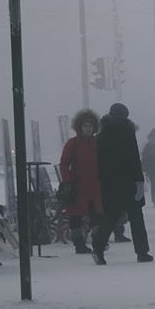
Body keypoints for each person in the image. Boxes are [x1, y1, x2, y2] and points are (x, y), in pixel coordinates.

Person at [92, 103, 152, 264]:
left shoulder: (101, 134)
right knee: (136, 218)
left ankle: (98, 248)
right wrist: (139, 180)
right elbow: (133, 158)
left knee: (110, 217)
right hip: (128, 181)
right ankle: (142, 252)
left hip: (109, 182)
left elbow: (98, 161)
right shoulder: (127, 131)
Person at [59, 109, 103, 255]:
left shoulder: (98, 142)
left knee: (96, 214)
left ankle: (97, 242)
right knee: (76, 215)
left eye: (90, 126)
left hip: (96, 185)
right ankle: (79, 244)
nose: (88, 128)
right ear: (79, 127)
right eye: (85, 126)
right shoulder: (73, 143)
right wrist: (68, 181)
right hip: (78, 185)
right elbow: (64, 163)